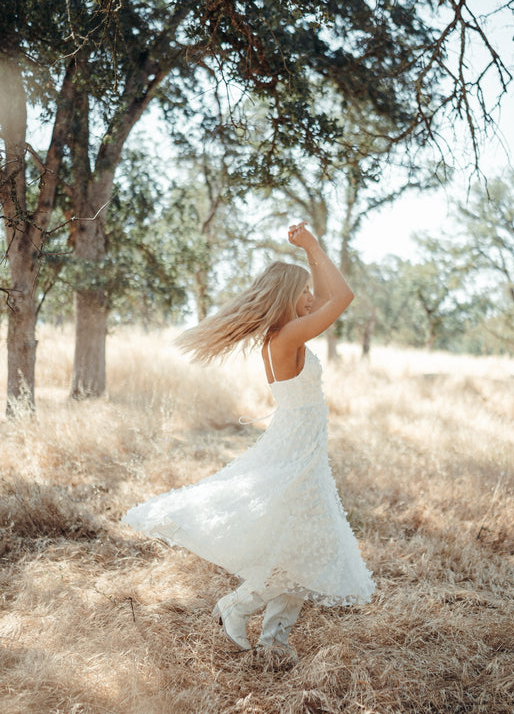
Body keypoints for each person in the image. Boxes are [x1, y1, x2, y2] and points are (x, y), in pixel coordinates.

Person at [121, 222, 375, 656]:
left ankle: (274, 641)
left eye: (311, 293)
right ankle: (237, 605)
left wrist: (312, 256)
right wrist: (312, 246)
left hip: (304, 447)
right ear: (286, 298)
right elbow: (343, 298)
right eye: (304, 293)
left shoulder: (284, 335)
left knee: (305, 544)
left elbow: (333, 297)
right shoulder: (287, 336)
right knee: (305, 545)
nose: (312, 298)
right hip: (297, 450)